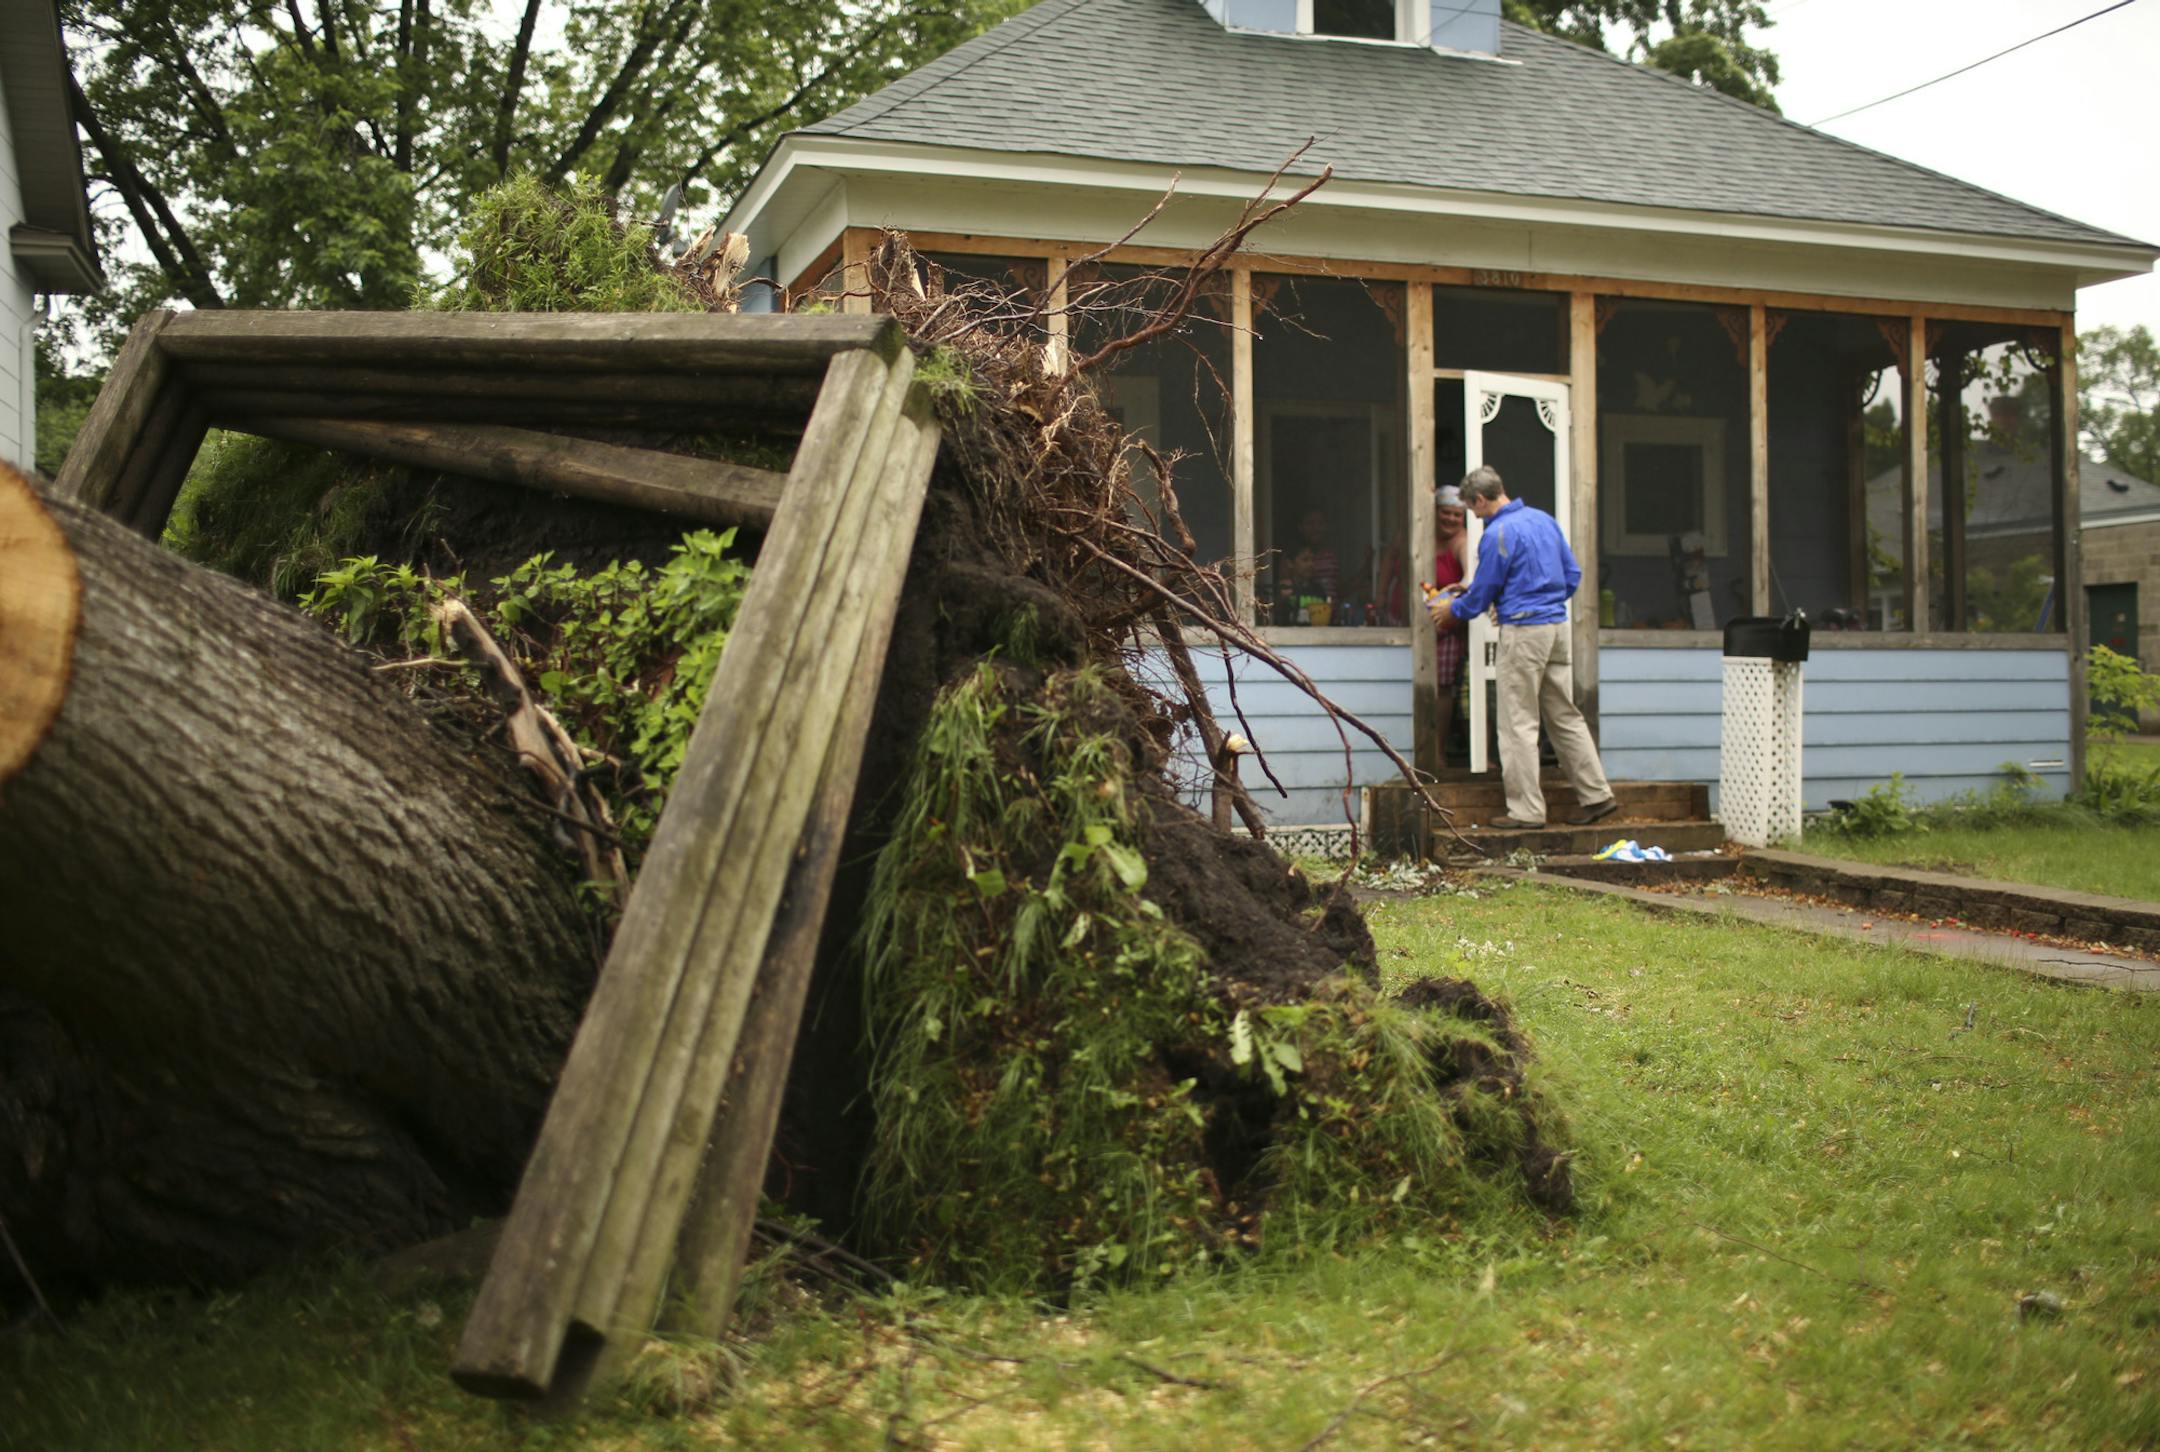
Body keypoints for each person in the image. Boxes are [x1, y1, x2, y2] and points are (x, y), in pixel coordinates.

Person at [1427, 466, 1617, 829]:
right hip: (1556, 628)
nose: (1474, 516)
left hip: (1524, 631)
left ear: (1481, 500)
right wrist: (1541, 601)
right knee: (1564, 715)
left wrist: (1455, 610)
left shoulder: (1498, 532)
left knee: (1518, 723)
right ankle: (1597, 795)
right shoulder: (1544, 520)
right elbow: (1572, 575)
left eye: (1473, 509)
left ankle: (1527, 810)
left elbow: (1483, 592)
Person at [1429, 485, 1473, 762]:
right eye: (1446, 513)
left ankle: (1437, 751)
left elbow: (1472, 572)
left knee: (1443, 686)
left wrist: (1462, 588)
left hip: (1446, 623)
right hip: (1409, 622)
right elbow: (1390, 559)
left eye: (1458, 515)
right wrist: (1383, 594)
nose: (1451, 520)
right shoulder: (1419, 531)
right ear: (1434, 512)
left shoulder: (1462, 541)